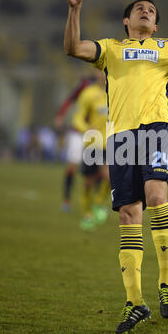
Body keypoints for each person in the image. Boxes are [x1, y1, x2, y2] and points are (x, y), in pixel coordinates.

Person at [64, 0, 168, 334]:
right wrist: (75, 9)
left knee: (155, 197)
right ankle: (136, 302)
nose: (146, 11)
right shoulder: (111, 49)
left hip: (156, 130)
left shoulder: (167, 48)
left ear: (156, 26)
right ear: (126, 20)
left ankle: (167, 284)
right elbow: (73, 47)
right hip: (120, 137)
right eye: (140, 8)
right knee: (129, 216)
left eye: (151, 10)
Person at [55, 72, 110, 229]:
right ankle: (87, 214)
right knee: (88, 183)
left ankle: (98, 204)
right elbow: (77, 118)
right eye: (102, 71)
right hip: (93, 143)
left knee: (110, 177)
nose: (105, 75)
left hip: (112, 143)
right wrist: (86, 129)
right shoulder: (88, 93)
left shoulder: (119, 92)